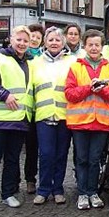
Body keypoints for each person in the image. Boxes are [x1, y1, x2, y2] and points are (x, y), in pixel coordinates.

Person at [65, 29, 109, 210]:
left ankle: (93, 191)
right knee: (81, 159)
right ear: (84, 46)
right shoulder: (76, 67)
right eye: (90, 45)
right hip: (80, 121)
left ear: (102, 46)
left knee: (95, 159)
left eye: (97, 45)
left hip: (101, 122)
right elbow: (69, 94)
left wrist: (102, 89)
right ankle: (82, 193)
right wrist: (89, 88)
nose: (94, 48)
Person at [0, 25, 34, 210]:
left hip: (18, 119)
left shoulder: (30, 62)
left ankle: (8, 193)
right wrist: (4, 94)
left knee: (12, 159)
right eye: (18, 39)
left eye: (25, 41)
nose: (22, 43)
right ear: (11, 39)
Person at [31, 27, 76, 205]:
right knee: (46, 154)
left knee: (61, 154)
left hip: (65, 115)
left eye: (58, 40)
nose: (54, 43)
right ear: (45, 42)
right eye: (51, 40)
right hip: (43, 114)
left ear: (63, 43)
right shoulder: (35, 62)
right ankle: (43, 189)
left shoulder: (72, 61)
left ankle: (58, 189)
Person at [24, 23, 44, 195]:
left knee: (39, 147)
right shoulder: (22, 58)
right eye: (33, 37)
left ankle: (38, 179)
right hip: (24, 108)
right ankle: (28, 179)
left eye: (38, 37)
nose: (35, 40)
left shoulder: (44, 58)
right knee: (27, 147)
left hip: (41, 109)